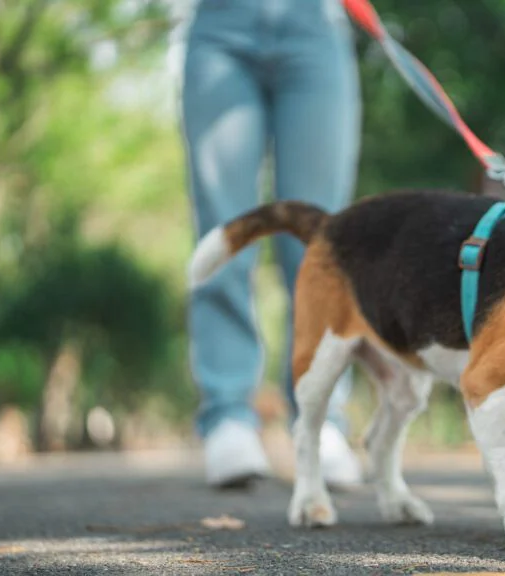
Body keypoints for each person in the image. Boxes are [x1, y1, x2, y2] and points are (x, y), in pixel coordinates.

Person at [181, 0, 363, 489]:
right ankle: (227, 418)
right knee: (225, 227)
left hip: (317, 26)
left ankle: (321, 417)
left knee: (318, 240)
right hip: (218, 26)